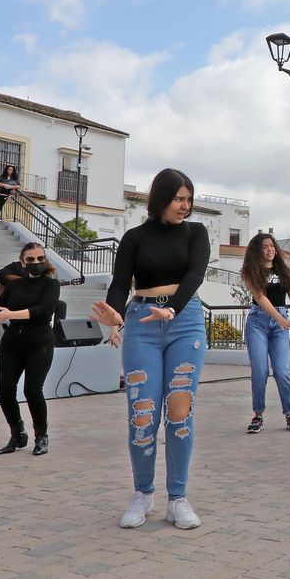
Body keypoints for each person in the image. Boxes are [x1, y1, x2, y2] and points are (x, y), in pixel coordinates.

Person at [91, 169, 211, 529]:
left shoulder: (196, 232)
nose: (185, 206)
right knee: (142, 412)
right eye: (178, 199)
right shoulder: (134, 237)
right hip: (142, 321)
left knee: (179, 411)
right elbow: (119, 283)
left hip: (185, 320)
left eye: (188, 199)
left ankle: (178, 498)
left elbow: (195, 275)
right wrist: (114, 317)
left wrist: (173, 307)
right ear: (160, 198)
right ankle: (143, 493)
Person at [0, 242, 61, 457]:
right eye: (31, 259)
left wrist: (10, 315)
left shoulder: (51, 285)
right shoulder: (15, 286)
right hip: (12, 342)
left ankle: (41, 436)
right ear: (22, 262)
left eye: (40, 258)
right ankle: (17, 433)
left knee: (32, 389)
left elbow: (43, 311)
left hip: (40, 342)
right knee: (4, 388)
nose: (36, 262)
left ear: (45, 260)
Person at [241, 233, 290, 433]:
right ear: (257, 251)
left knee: (282, 372)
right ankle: (258, 415)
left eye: (272, 246)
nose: (270, 250)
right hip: (258, 321)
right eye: (265, 247)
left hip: (280, 325)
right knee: (259, 371)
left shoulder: (283, 271)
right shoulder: (251, 271)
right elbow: (260, 298)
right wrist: (279, 318)